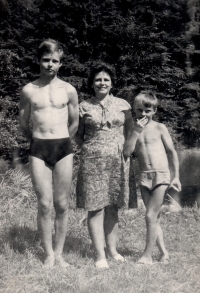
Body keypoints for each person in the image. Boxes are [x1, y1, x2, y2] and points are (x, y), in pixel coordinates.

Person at [19, 39, 79, 268]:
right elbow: (23, 123)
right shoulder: (29, 90)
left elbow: (74, 122)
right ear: (38, 61)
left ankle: (60, 254)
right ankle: (48, 254)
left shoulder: (69, 90)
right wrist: (37, 140)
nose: (49, 65)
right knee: (44, 204)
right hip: (38, 149)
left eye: (54, 61)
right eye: (46, 60)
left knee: (62, 203)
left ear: (60, 64)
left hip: (63, 148)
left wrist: (63, 138)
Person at [75, 62, 134, 269]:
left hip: (117, 162)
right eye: (98, 79)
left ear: (112, 83)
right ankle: (100, 256)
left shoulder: (123, 105)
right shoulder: (83, 106)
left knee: (112, 208)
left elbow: (130, 133)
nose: (102, 83)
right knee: (95, 208)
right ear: (92, 83)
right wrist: (93, 149)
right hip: (92, 163)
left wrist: (125, 153)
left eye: (106, 80)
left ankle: (113, 250)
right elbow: (78, 136)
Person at [124, 91, 181, 265]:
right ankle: (164, 253)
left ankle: (147, 256)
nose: (143, 114)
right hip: (144, 176)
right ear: (134, 109)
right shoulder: (133, 128)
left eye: (147, 111)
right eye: (140, 110)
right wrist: (136, 131)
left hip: (161, 175)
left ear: (154, 110)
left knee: (149, 216)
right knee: (153, 218)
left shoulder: (160, 127)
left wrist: (176, 176)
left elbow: (172, 152)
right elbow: (127, 152)